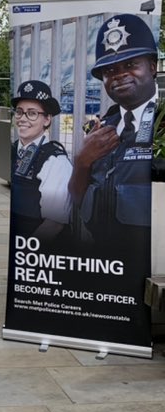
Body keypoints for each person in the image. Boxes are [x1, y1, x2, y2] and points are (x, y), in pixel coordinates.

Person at [69, 13, 159, 251]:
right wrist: (82, 161)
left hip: (152, 266)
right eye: (109, 70)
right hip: (103, 262)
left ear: (152, 67)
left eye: (130, 65)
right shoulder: (102, 127)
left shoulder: (162, 121)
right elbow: (74, 199)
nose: (119, 75)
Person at [11, 79, 73, 241]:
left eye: (32, 113)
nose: (22, 119)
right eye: (19, 111)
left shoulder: (55, 162)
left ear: (47, 119)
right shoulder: (11, 150)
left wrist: (26, 252)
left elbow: (54, 224)